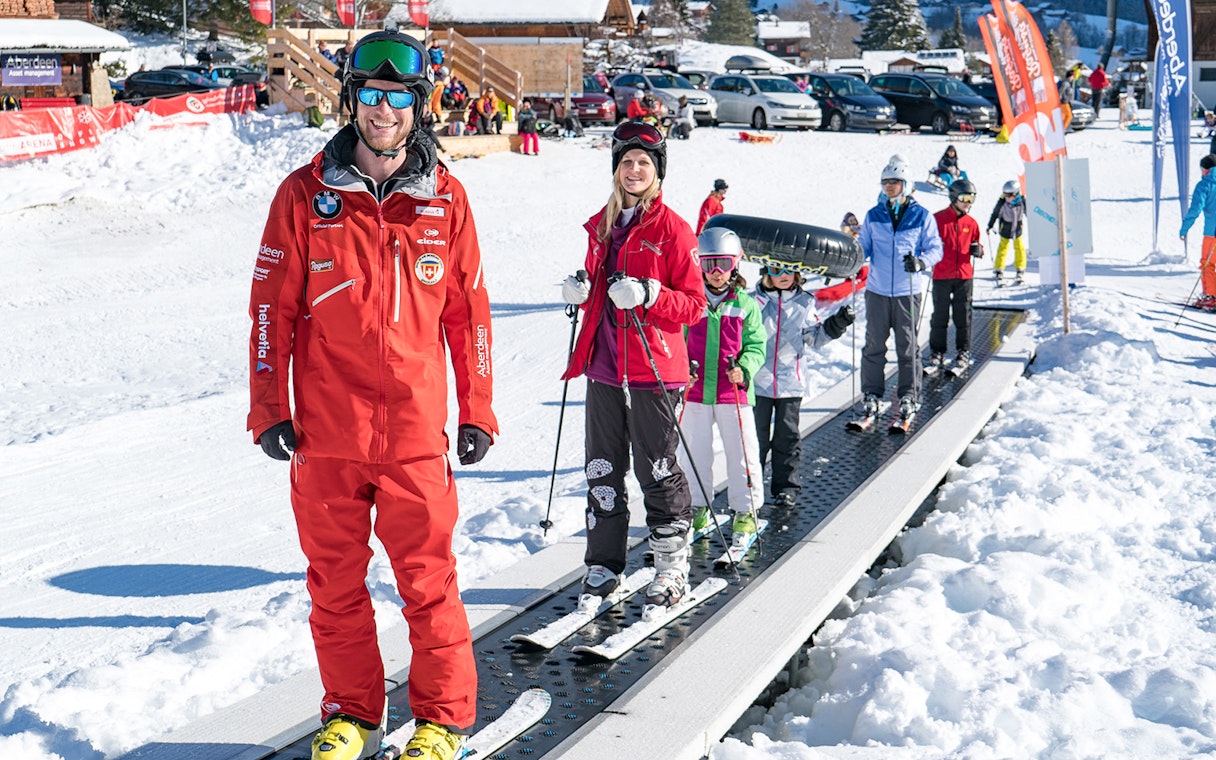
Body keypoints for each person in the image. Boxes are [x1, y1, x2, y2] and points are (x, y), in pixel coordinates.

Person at [246, 30, 495, 760]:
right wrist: (269, 409)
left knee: (429, 581)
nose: (383, 111)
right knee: (335, 583)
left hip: (415, 432)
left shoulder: (446, 200)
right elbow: (271, 311)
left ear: (419, 108)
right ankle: (352, 713)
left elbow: (468, 312)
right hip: (328, 432)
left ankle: (442, 723)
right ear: (352, 99)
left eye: (399, 98)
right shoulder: (304, 195)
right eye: (371, 95)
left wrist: (478, 406)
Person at [559, 121, 707, 609]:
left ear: (657, 170)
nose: (635, 169)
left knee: (659, 469)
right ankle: (604, 564)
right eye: (627, 162)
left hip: (656, 370)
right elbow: (600, 292)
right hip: (604, 367)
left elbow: (695, 304)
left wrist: (650, 294)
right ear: (616, 169)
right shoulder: (602, 225)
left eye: (644, 162)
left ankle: (670, 566)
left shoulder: (674, 229)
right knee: (602, 468)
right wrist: (581, 291)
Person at [679, 228, 767, 545]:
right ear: (699, 265)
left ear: (736, 265)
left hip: (734, 392)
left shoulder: (746, 305)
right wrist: (680, 371)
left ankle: (746, 512)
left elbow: (757, 345)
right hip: (696, 392)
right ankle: (698, 508)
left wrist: (744, 368)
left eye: (724, 264)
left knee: (741, 453)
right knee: (693, 454)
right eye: (709, 264)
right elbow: (678, 342)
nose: (716, 272)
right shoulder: (691, 303)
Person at [751, 261, 855, 508]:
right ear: (767, 274)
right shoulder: (754, 302)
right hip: (758, 381)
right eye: (776, 271)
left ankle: (785, 487)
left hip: (790, 383)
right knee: (755, 437)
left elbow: (815, 338)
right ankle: (751, 487)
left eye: (788, 270)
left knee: (787, 437)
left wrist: (837, 322)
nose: (783, 276)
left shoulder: (804, 303)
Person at [857, 154, 943, 419]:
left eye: (895, 181)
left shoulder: (921, 216)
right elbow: (864, 247)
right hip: (878, 291)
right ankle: (872, 392)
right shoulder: (874, 215)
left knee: (907, 346)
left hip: (907, 291)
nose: (889, 186)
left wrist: (920, 262)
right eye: (885, 182)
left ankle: (909, 393)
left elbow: (935, 248)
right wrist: (852, 254)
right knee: (874, 344)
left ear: (905, 184)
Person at [927, 179, 983, 374]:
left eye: (972, 198)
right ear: (953, 197)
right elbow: (925, 243)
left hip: (964, 276)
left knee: (963, 316)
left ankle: (963, 351)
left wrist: (978, 250)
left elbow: (977, 244)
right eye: (965, 198)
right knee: (940, 316)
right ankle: (937, 351)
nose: (968, 202)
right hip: (942, 275)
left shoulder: (971, 223)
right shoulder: (937, 220)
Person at [1180, 154, 1216, 311]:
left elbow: (1195, 210)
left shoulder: (1204, 185)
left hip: (1212, 234)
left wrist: (1184, 228)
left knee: (1207, 264)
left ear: (1206, 169)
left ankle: (1211, 297)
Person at [988, 179, 1028, 286]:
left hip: (1017, 228)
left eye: (1009, 195)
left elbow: (1028, 212)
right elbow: (995, 213)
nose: (1007, 197)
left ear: (1016, 193)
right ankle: (999, 269)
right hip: (1005, 227)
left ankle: (1020, 268)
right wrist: (990, 225)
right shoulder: (1002, 202)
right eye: (1005, 195)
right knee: (1003, 248)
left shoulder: (1022, 201)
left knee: (1019, 248)